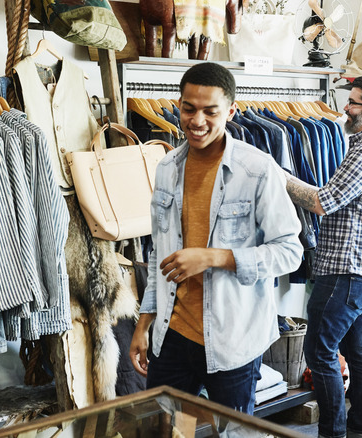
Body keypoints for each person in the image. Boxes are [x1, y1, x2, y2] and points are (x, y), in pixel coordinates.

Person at [129, 62, 303, 414]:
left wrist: (214, 257)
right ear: (179, 105)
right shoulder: (166, 168)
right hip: (171, 336)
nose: (197, 121)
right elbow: (157, 254)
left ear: (231, 112)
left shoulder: (257, 169)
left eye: (210, 111)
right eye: (189, 109)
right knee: (163, 430)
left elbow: (290, 252)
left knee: (235, 434)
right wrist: (144, 323)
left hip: (233, 340)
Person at [283, 75, 362, 438]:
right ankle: (361, 428)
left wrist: (279, 176)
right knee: (357, 346)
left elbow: (322, 202)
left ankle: (333, 433)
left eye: (353, 102)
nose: (344, 108)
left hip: (348, 269)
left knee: (319, 350)